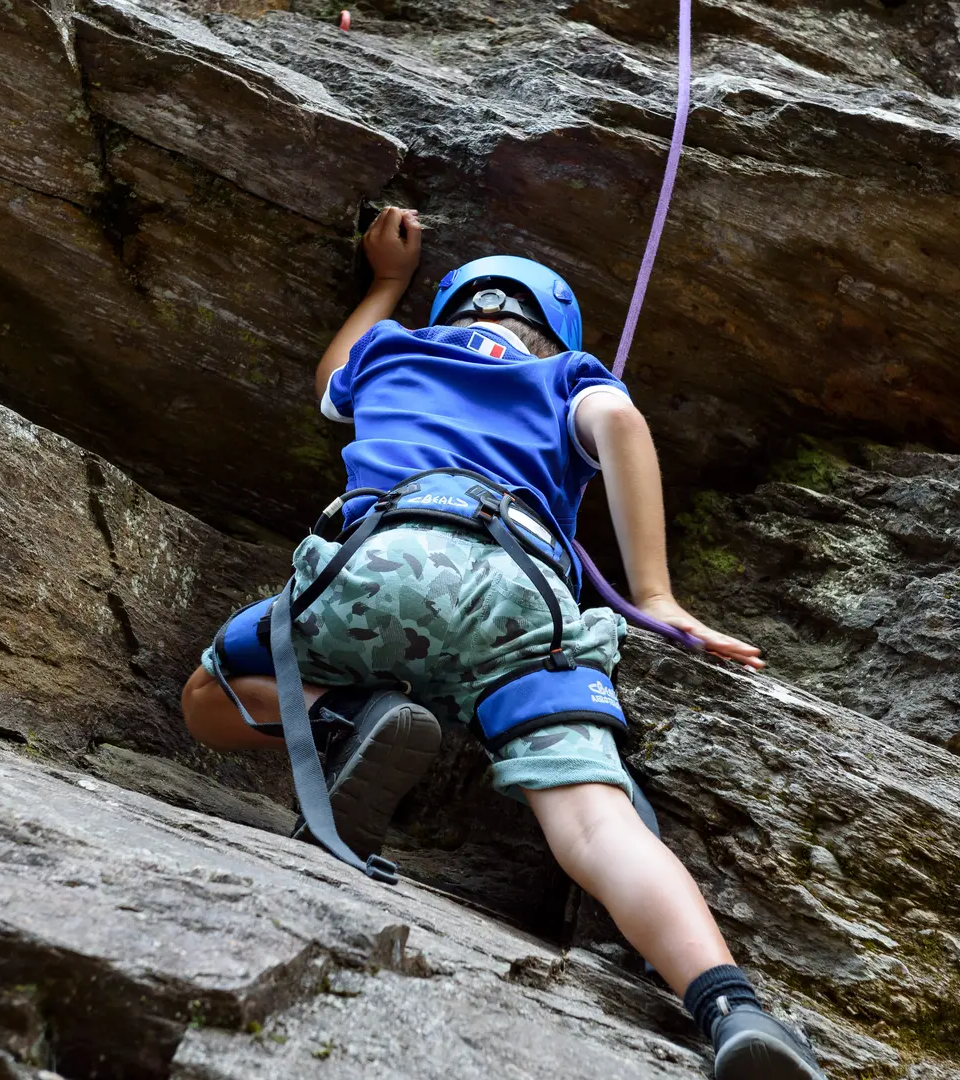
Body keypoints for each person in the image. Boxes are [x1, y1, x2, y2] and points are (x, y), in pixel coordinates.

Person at [181, 207, 827, 1080]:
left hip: (386, 559)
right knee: (597, 820)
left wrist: (384, 285)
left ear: (452, 310)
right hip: (522, 593)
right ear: (554, 327)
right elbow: (624, 428)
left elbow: (330, 378)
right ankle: (730, 1008)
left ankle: (346, 719)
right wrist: (655, 597)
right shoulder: (570, 374)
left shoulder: (398, 349)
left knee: (208, 695)